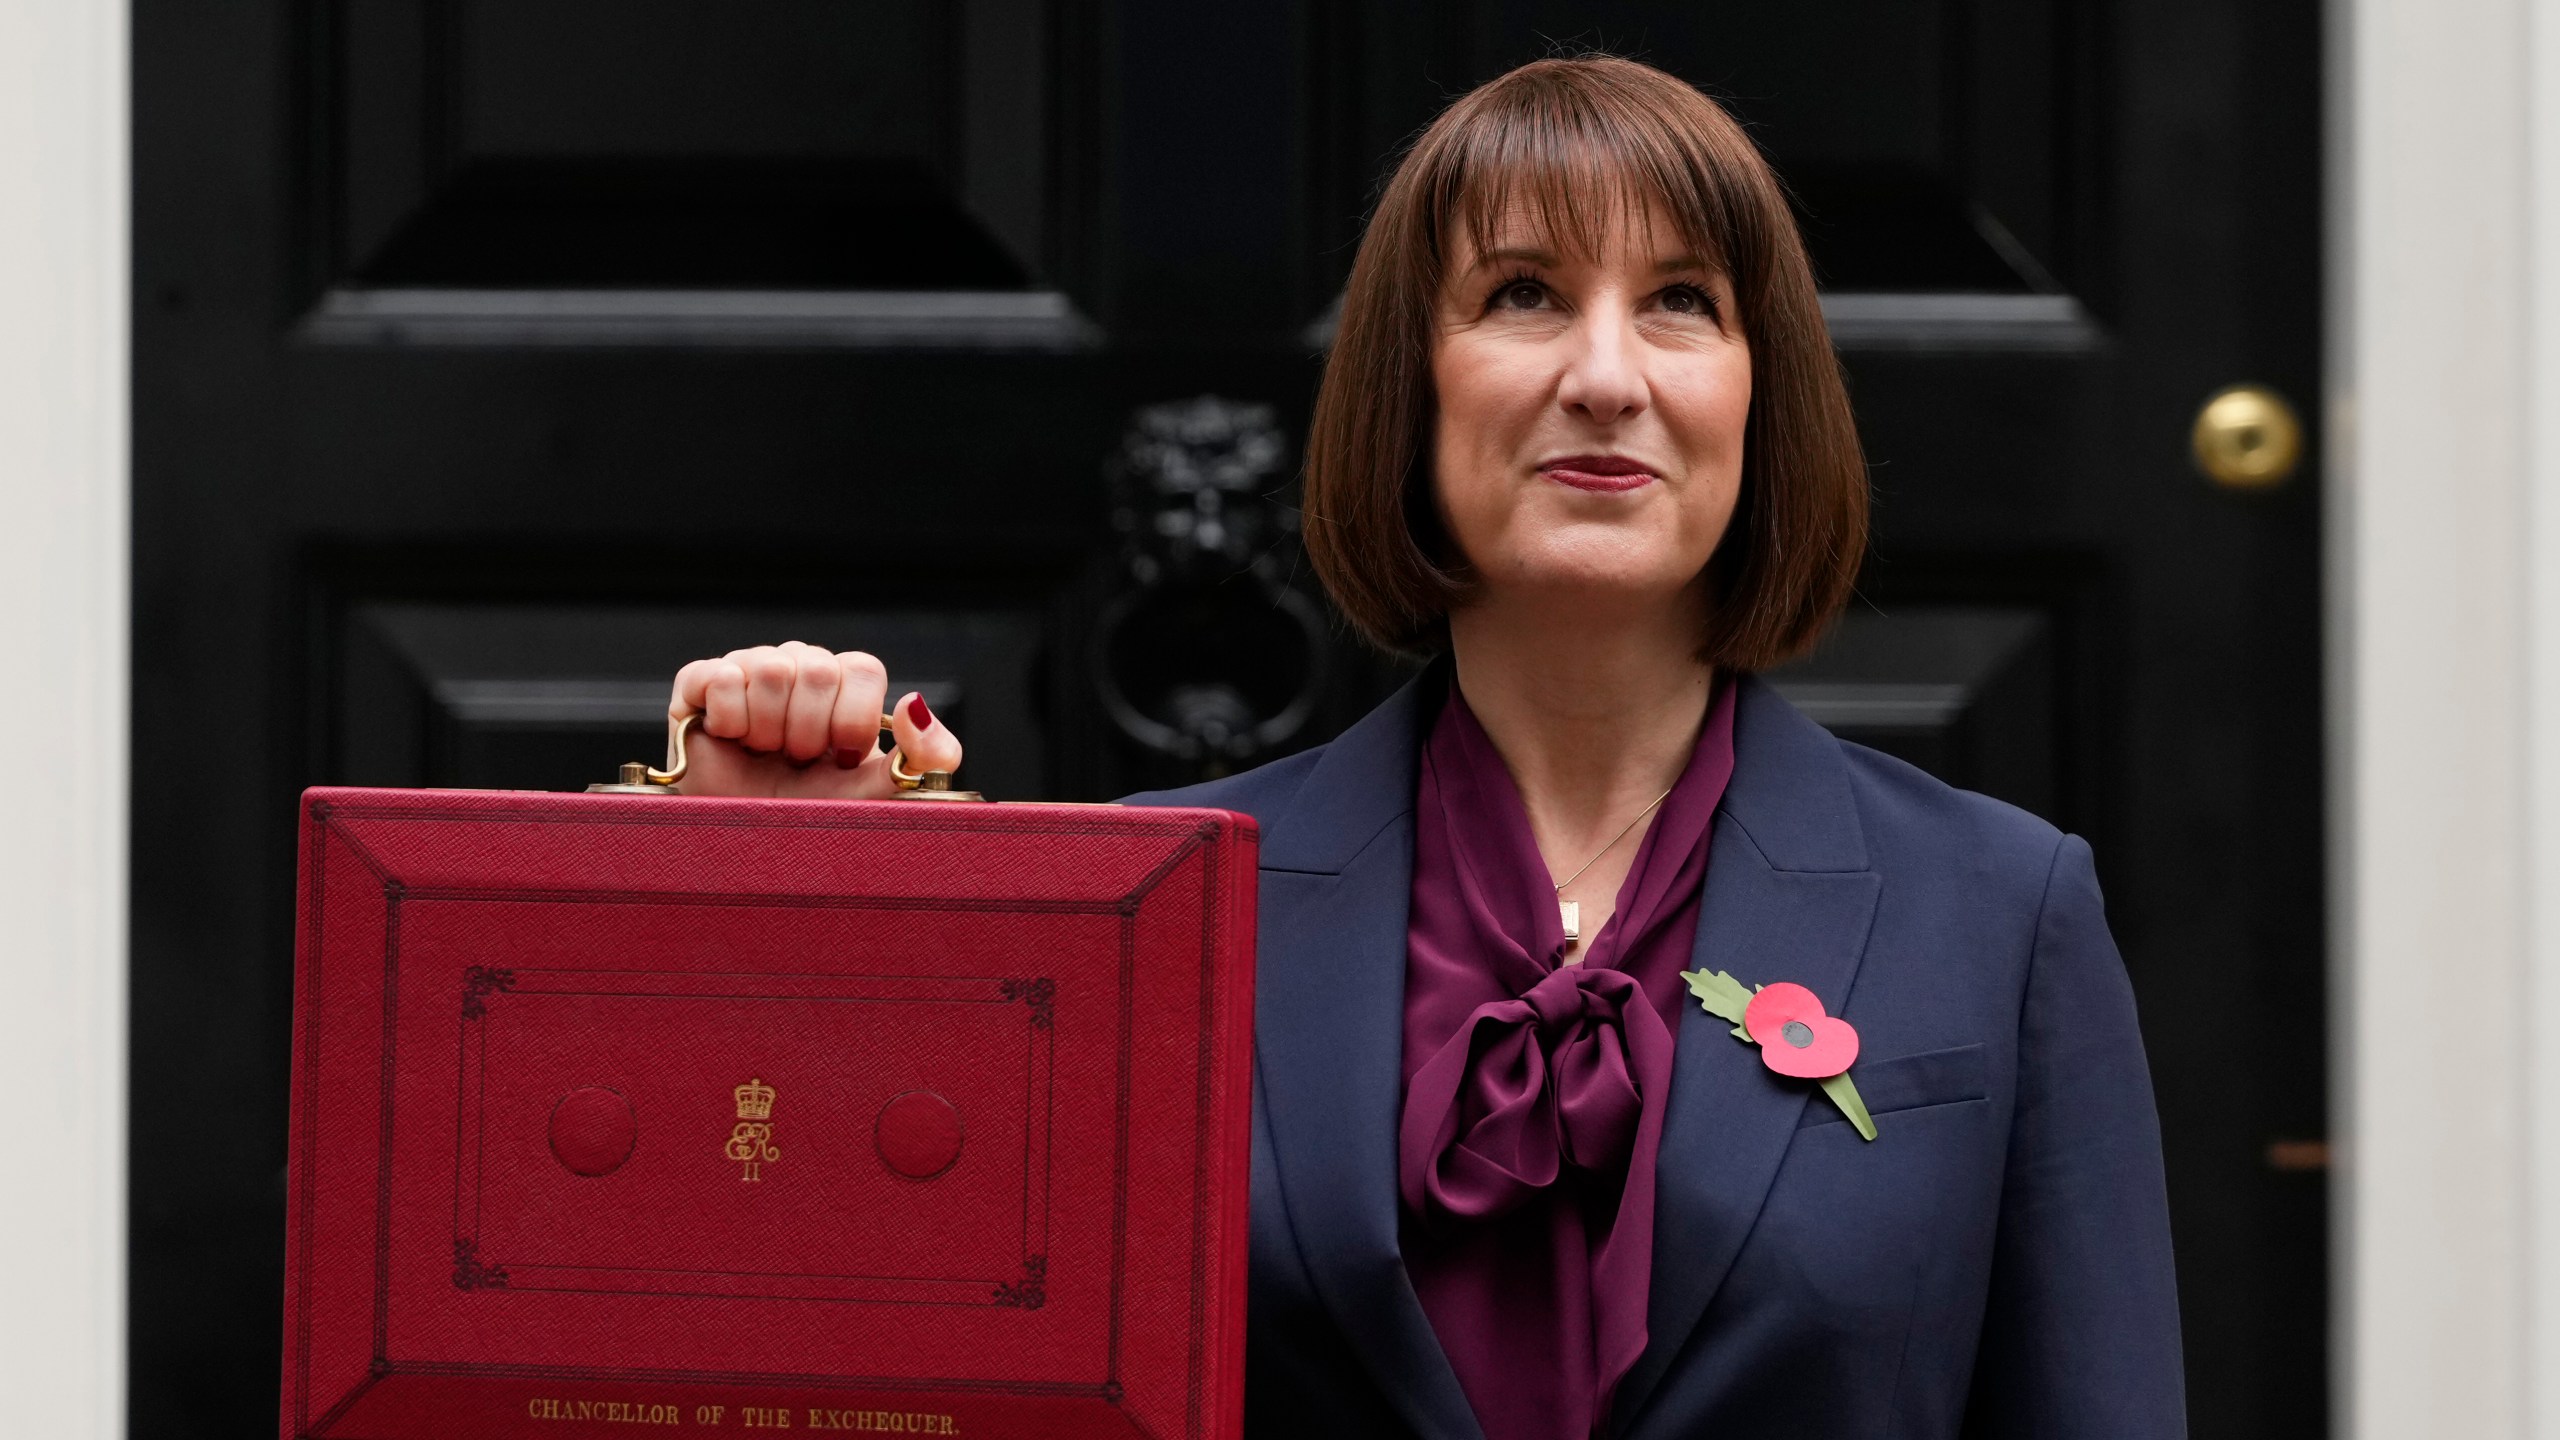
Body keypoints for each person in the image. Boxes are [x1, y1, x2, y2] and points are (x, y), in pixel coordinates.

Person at [662, 54, 2182, 1440]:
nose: (1606, 373)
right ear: (1412, 385)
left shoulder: (2002, 911)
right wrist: (788, 914)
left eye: (1681, 301)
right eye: (1523, 293)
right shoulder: (1153, 910)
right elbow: (840, 1359)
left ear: (1760, 395)